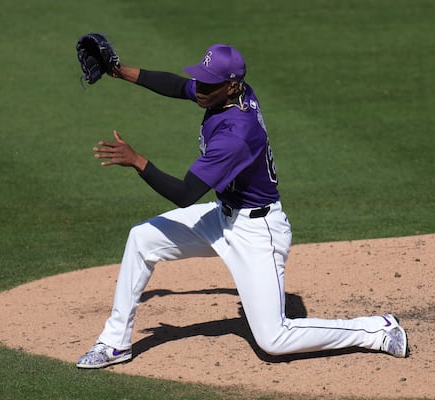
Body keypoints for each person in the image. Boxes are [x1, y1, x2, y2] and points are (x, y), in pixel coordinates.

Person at [76, 43, 408, 369]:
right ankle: (115, 343)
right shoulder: (228, 91)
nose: (200, 89)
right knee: (142, 238)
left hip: (257, 232)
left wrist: (137, 161)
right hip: (222, 217)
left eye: (208, 83)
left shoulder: (236, 134)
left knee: (273, 339)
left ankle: (376, 330)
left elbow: (185, 193)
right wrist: (118, 71)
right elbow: (177, 86)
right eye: (201, 80)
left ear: (231, 85)